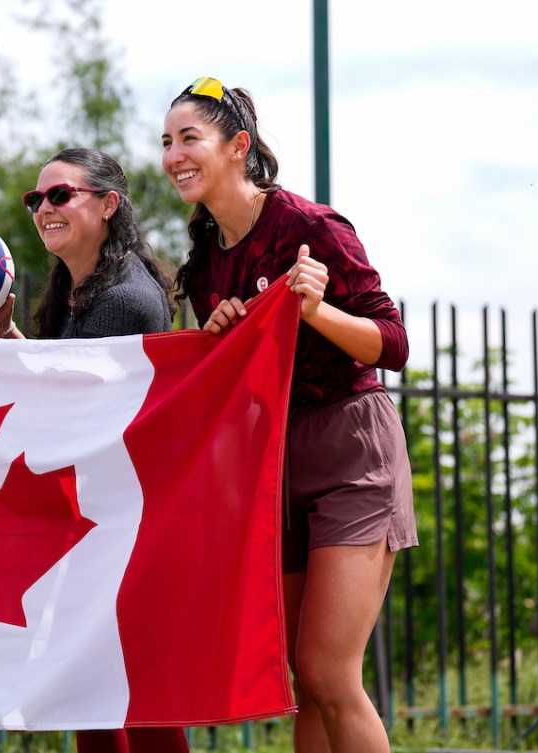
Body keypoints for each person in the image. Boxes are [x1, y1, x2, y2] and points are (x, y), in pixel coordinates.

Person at [161, 76, 417, 753]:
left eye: (189, 138)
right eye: (166, 142)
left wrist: (315, 310)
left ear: (236, 145)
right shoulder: (204, 264)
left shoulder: (309, 226)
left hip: (350, 446)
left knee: (330, 670)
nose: (173, 155)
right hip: (273, 461)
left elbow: (392, 344)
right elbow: (228, 388)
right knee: (304, 679)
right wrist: (218, 342)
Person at [0, 147, 189, 753]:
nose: (42, 208)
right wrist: (4, 337)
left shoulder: (125, 297)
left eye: (59, 195)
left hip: (122, 520)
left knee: (131, 699)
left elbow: (78, 412)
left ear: (108, 205)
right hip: (97, 515)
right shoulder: (76, 286)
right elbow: (62, 380)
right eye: (35, 199)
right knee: (103, 694)